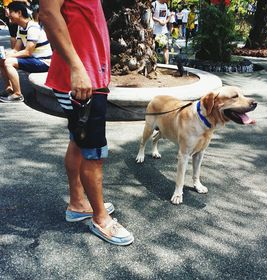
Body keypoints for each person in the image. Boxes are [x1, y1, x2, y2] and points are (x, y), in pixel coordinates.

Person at [39, 0, 134, 246]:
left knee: (78, 143)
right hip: (82, 78)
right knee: (94, 152)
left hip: (89, 74)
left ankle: (78, 203)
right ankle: (101, 218)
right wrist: (77, 66)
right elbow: (48, 14)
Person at [0, 1, 52, 103]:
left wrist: (10, 56)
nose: (8, 14)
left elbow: (27, 52)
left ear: (19, 13)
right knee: (2, 60)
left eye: (10, 12)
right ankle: (9, 88)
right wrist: (6, 54)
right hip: (33, 59)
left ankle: (17, 94)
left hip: (44, 61)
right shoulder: (21, 27)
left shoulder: (32, 27)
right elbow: (16, 49)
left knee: (9, 62)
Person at [152, 0, 170, 64]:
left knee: (166, 48)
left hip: (164, 31)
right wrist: (158, 20)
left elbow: (168, 16)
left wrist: (165, 21)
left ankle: (167, 63)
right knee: (153, 48)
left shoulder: (165, 5)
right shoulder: (154, 4)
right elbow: (150, 16)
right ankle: (153, 63)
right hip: (155, 31)